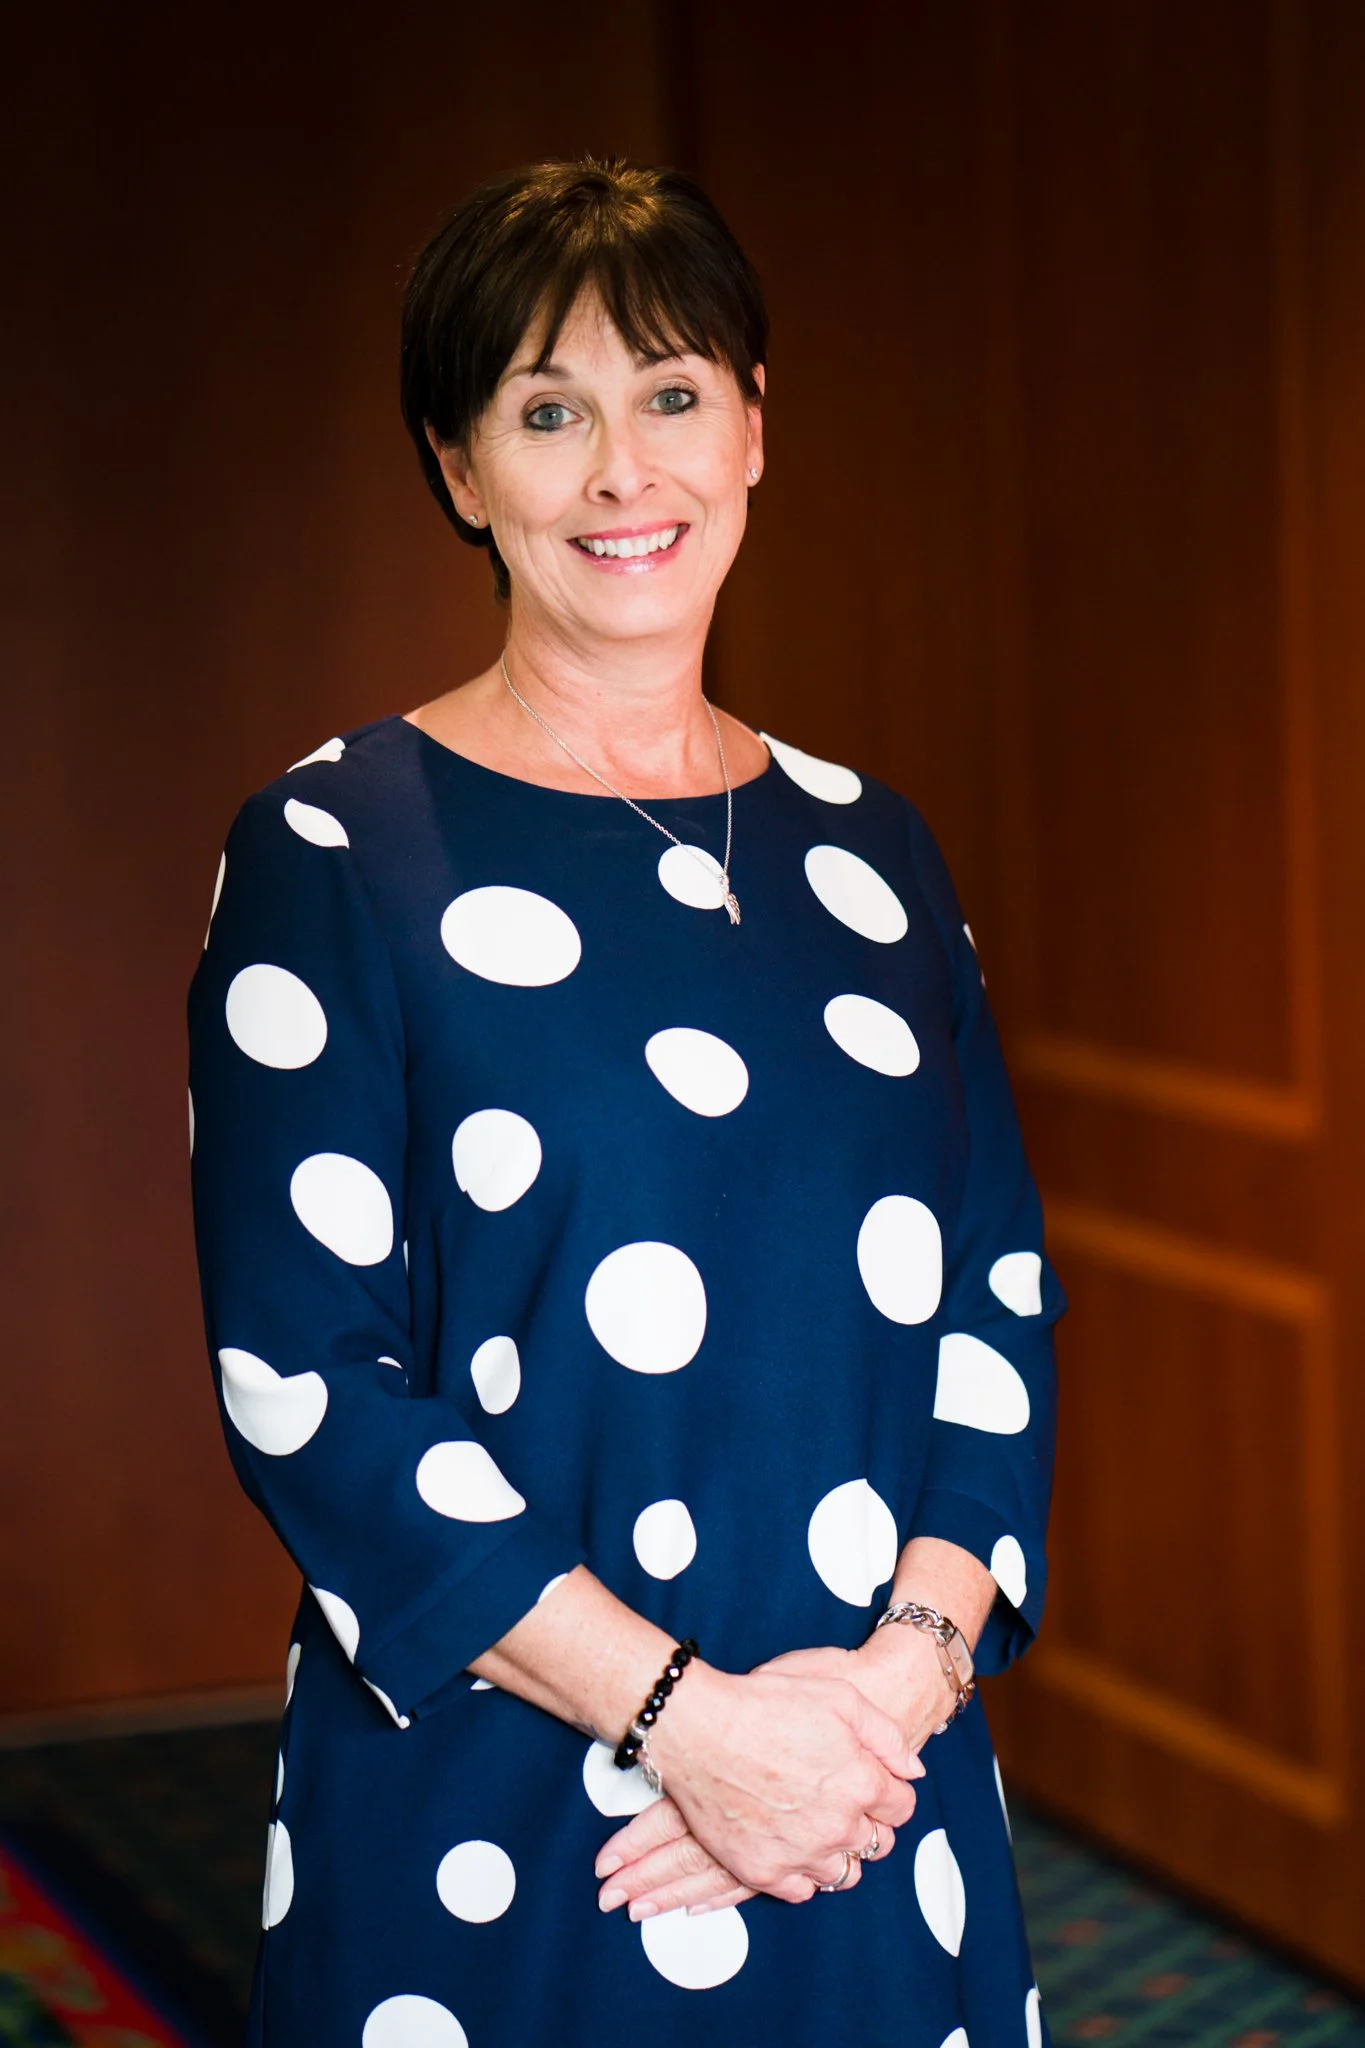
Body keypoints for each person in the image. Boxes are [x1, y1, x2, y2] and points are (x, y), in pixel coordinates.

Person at [188, 156, 1062, 2046]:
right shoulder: (336, 848)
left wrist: (865, 1723)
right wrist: (692, 1727)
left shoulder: (879, 855)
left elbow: (991, 1312)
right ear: (457, 469)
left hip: (867, 1799)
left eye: (671, 395)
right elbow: (306, 1386)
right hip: (512, 1812)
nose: (620, 473)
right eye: (545, 412)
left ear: (755, 428)